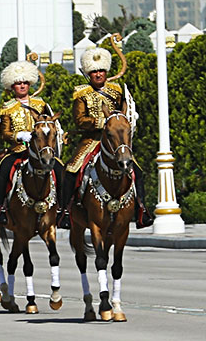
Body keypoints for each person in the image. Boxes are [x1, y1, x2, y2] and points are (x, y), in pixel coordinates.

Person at [60, 47, 152, 229]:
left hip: (114, 141)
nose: (98, 74)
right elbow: (79, 120)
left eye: (101, 71)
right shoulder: (81, 93)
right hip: (91, 139)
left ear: (106, 72)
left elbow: (122, 113)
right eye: (94, 72)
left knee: (137, 171)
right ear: (88, 73)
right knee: (71, 170)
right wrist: (102, 122)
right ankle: (65, 211)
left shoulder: (116, 90)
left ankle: (142, 210)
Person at [0, 60, 51, 226]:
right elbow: (4, 133)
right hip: (17, 150)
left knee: (59, 169)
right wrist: (19, 135)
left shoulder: (40, 104)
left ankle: (62, 209)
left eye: (25, 82)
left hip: (40, 151)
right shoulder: (7, 107)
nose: (22, 86)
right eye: (18, 83)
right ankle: (1, 209)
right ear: (12, 86)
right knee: (3, 171)